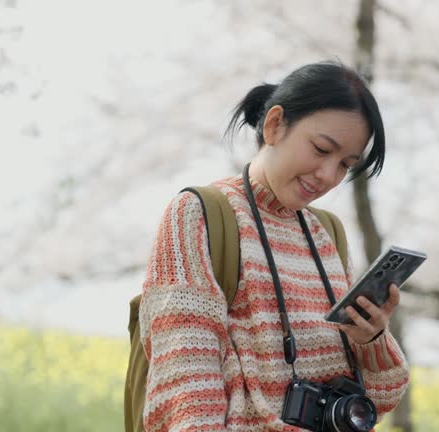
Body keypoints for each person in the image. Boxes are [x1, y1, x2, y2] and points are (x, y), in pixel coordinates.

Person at [139, 61, 409, 432]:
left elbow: (381, 396)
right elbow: (186, 387)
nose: (328, 176)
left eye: (345, 164)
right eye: (320, 149)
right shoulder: (199, 214)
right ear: (274, 124)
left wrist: (371, 339)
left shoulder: (327, 233)